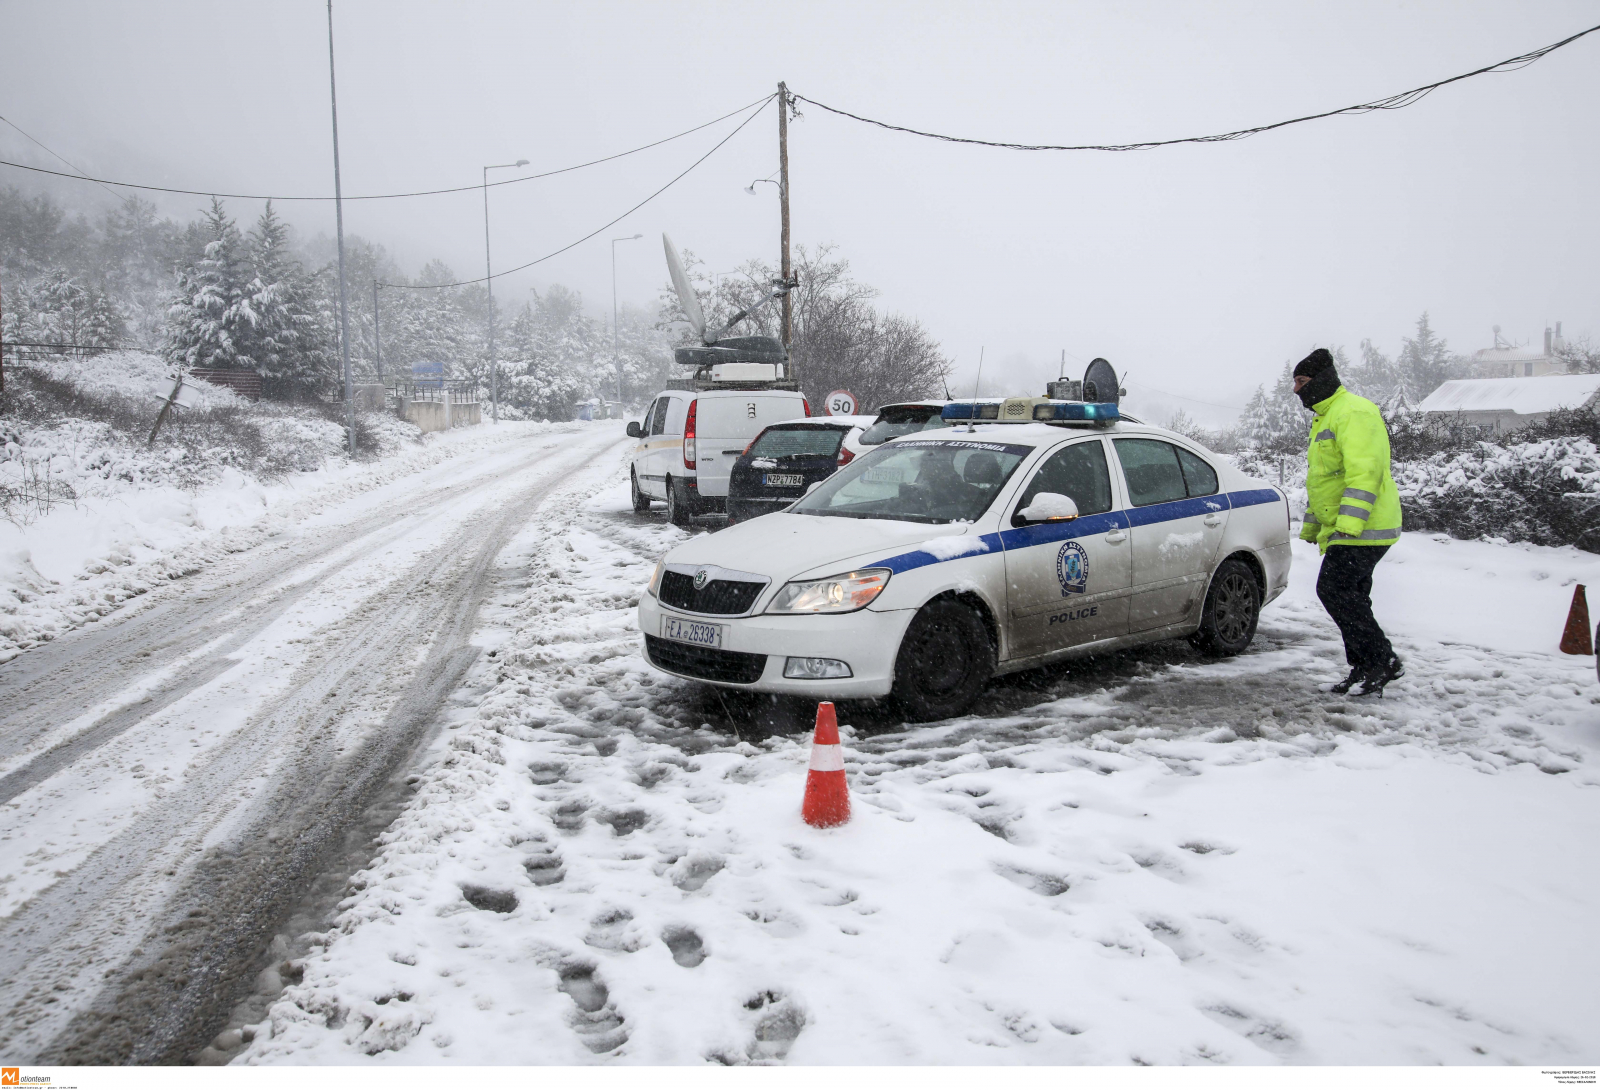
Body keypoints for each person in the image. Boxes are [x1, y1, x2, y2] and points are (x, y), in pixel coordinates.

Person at [1293, 348, 1405, 696]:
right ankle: (1364, 667)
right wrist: (1314, 526)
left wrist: (1349, 524)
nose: (1296, 390)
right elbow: (1325, 481)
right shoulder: (1326, 417)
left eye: (1302, 381)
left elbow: (1365, 473)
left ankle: (1383, 660)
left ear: (1321, 380)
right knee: (1353, 596)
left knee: (1334, 590)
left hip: (1364, 527)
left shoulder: (1353, 412)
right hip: (1347, 528)